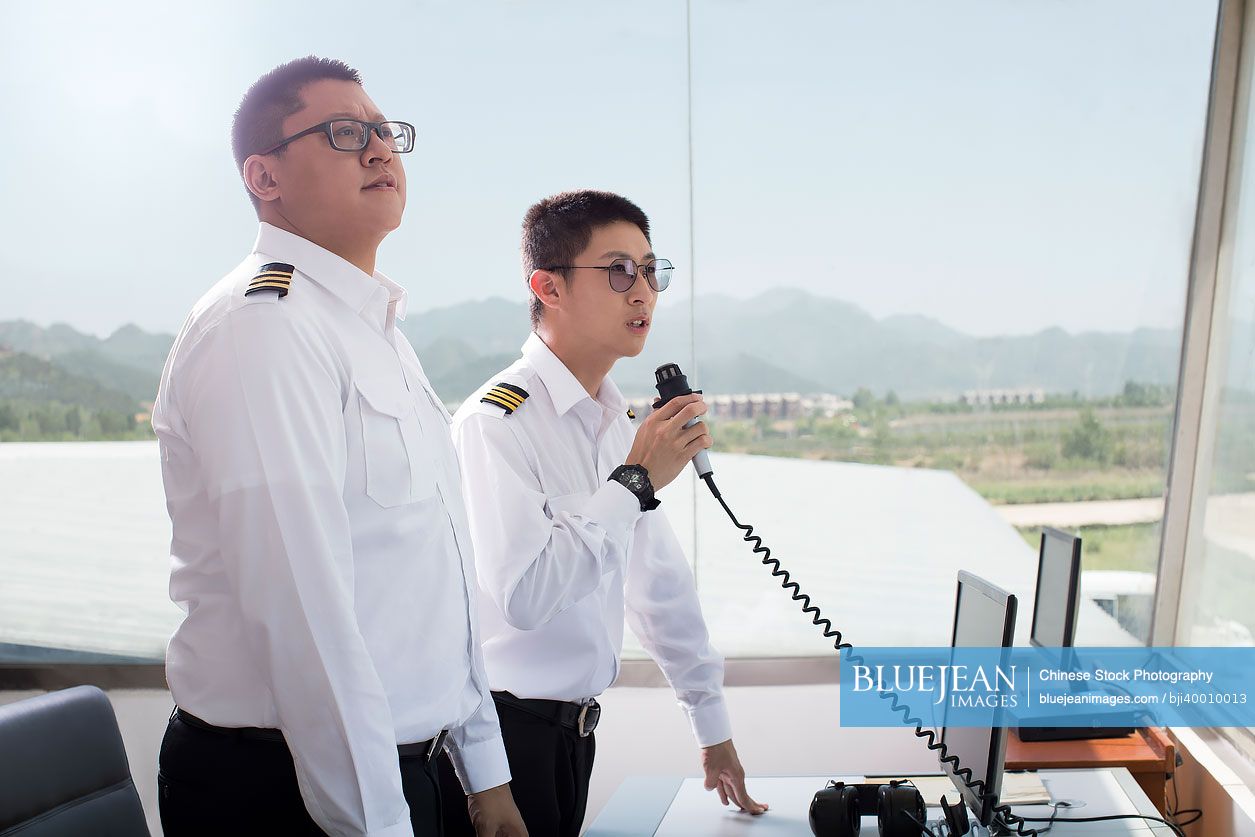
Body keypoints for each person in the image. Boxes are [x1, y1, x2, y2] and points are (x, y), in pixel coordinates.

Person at [151, 56, 526, 837]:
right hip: (288, 789)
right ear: (264, 175)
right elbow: (303, 613)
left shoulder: (372, 329)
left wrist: (484, 770)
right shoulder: (265, 327)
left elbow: (434, 575)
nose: (381, 149)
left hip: (399, 774)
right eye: (346, 132)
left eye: (387, 132)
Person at [438, 190, 767, 836]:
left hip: (574, 736)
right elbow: (524, 596)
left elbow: (657, 585)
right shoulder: (495, 423)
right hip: (502, 743)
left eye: (651, 270)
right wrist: (634, 479)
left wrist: (712, 725)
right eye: (619, 271)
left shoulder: (615, 425)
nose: (642, 291)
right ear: (548, 287)